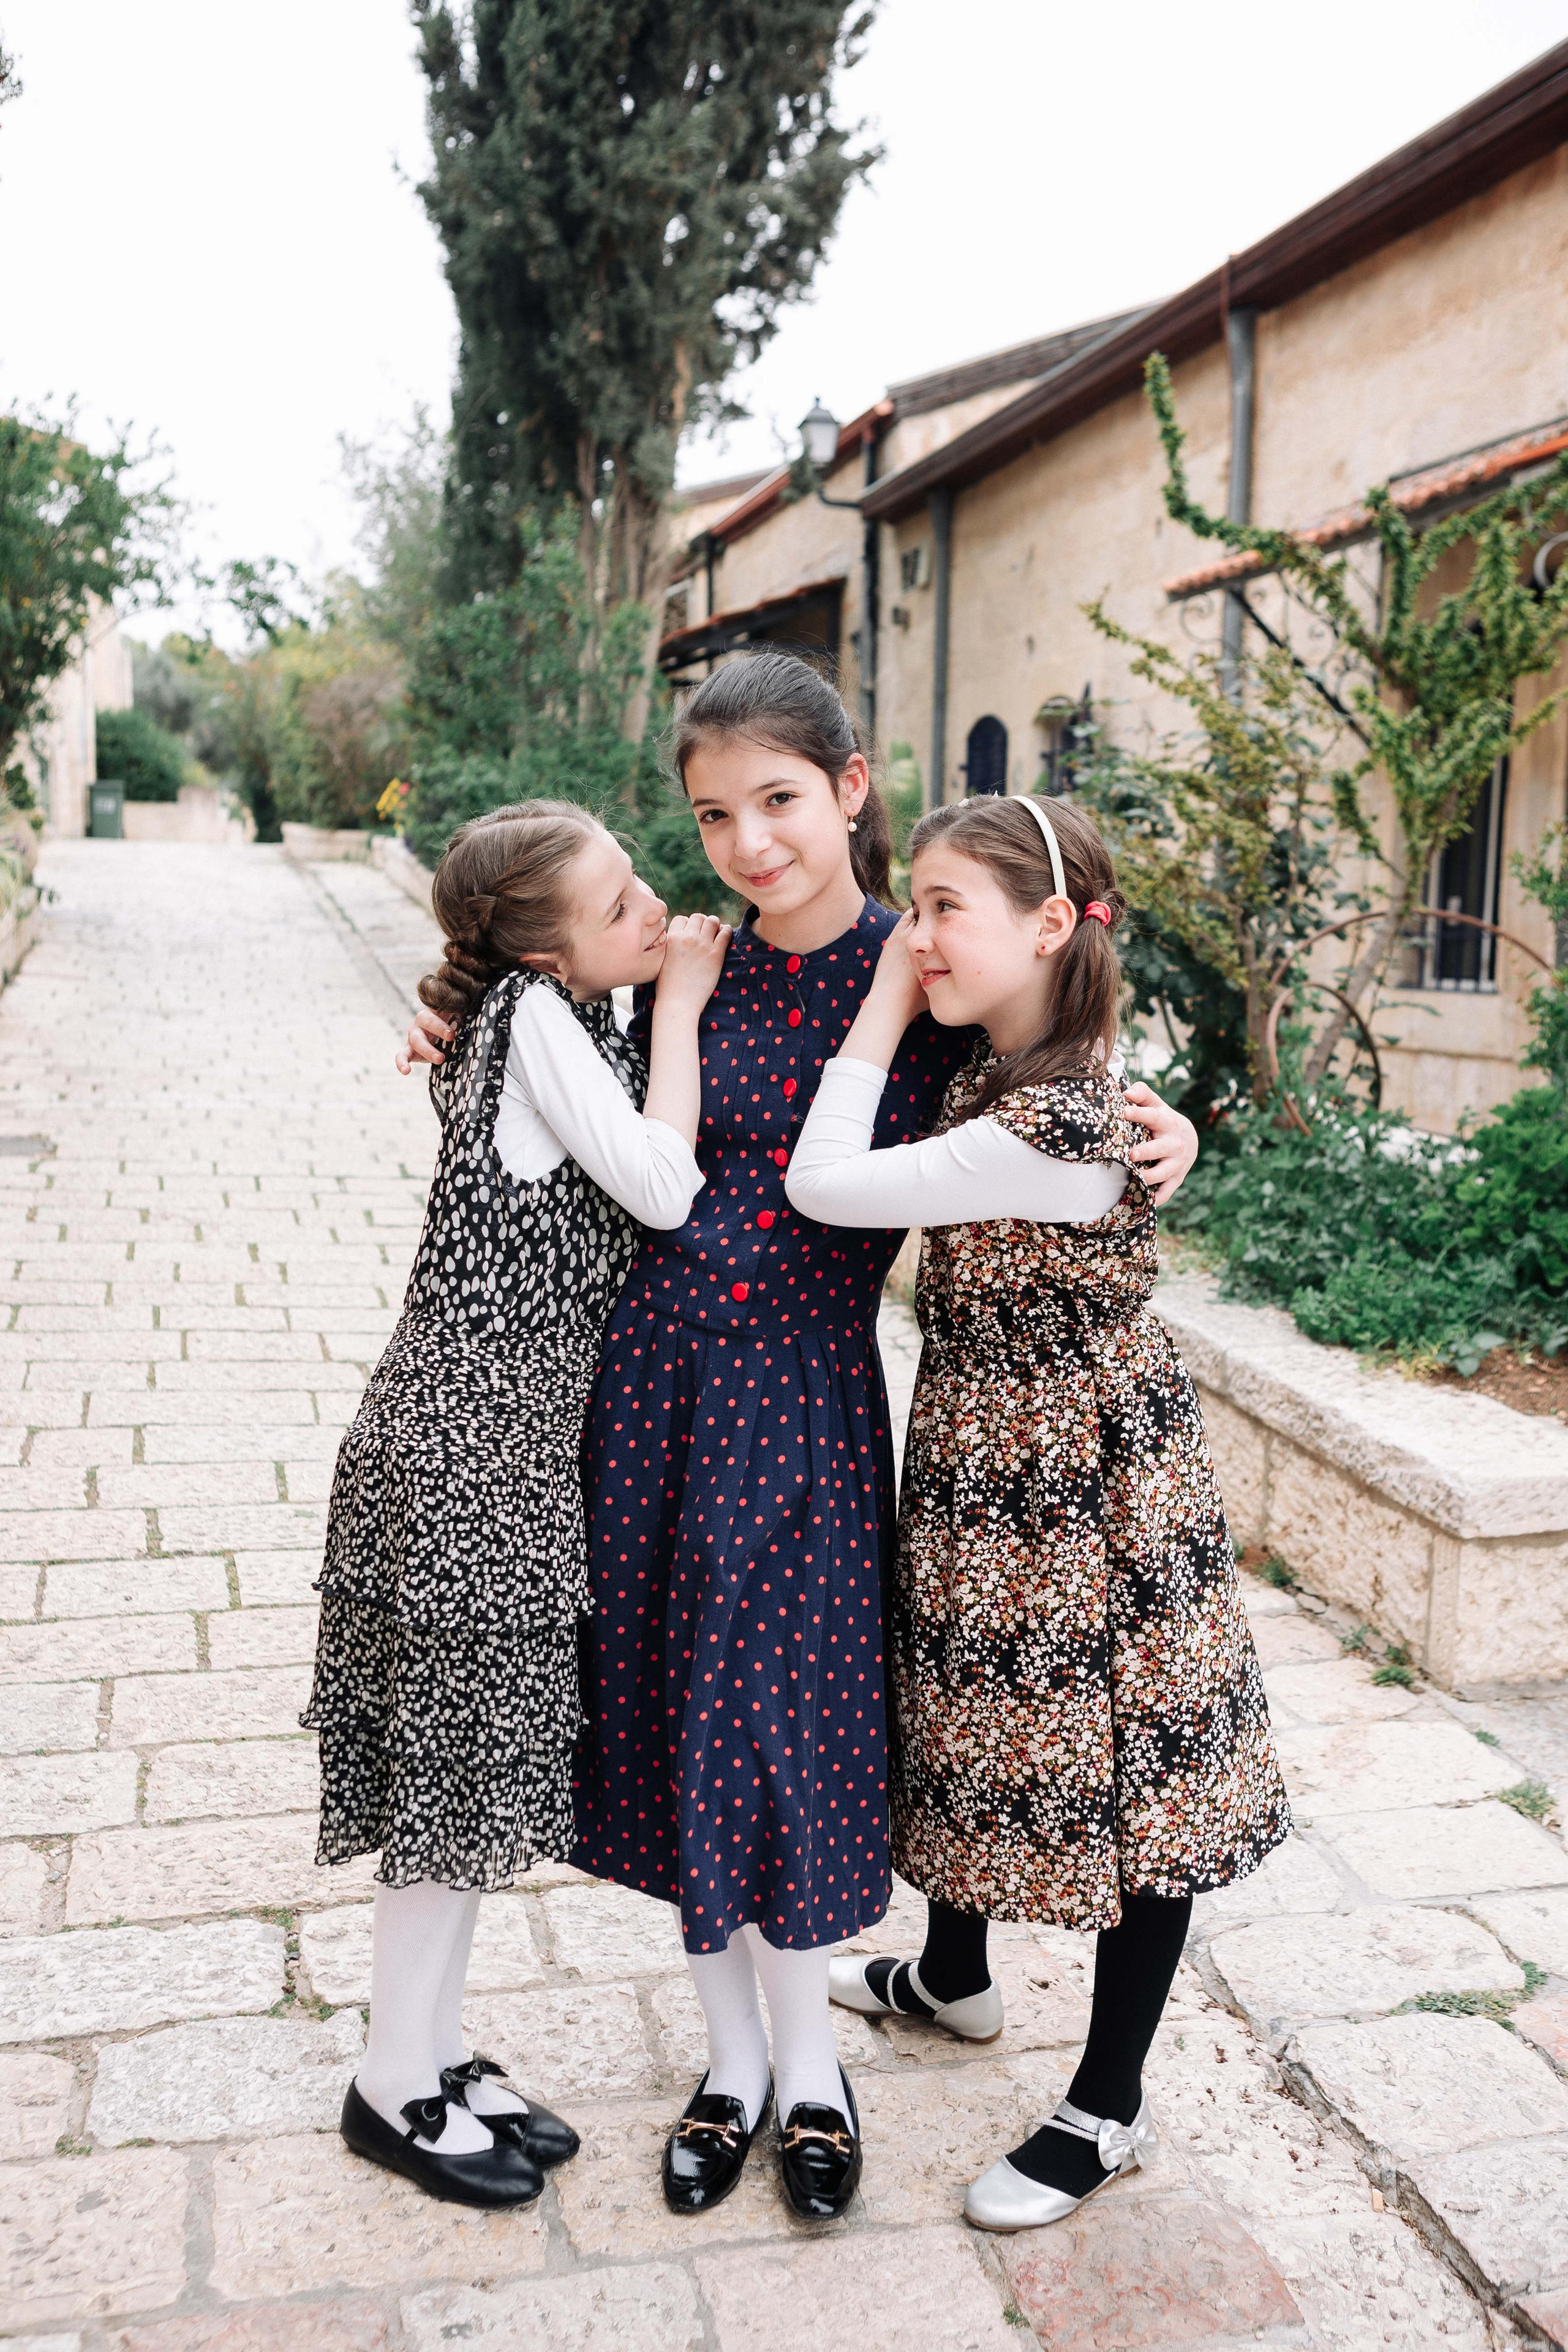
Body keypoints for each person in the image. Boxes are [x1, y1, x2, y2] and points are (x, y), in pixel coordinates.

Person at [402, 656, 1196, 2222]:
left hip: (808, 1400)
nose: (748, 843)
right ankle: (731, 2066)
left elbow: (1059, 1066)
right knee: (679, 1724)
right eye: (712, 814)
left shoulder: (922, 976)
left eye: (776, 800)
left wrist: (1168, 1121)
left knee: (791, 1731)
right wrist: (447, 1025)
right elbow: (524, 1017)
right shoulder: (659, 966)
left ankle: (816, 2076)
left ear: (847, 788)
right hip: (642, 1394)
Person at [785, 790, 1290, 2233]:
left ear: (1053, 923)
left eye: (945, 909)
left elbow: (826, 1185)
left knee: (1128, 1780)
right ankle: (953, 1976)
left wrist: (882, 1000)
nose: (914, 933)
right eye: (916, 905)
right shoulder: (1021, 1062)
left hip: (1085, 1482)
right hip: (984, 1453)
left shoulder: (1058, 1121)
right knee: (967, 1716)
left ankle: (1106, 2106)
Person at [304, 799, 729, 2211]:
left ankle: (428, 2051)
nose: (651, 908)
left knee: (470, 1774)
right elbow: (663, 1189)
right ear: (543, 954)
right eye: (617, 906)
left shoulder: (553, 1018)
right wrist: (681, 1004)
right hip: (470, 1447)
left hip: (491, 1442)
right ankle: (389, 2084)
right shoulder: (552, 1023)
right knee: (450, 1784)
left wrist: (643, 997)